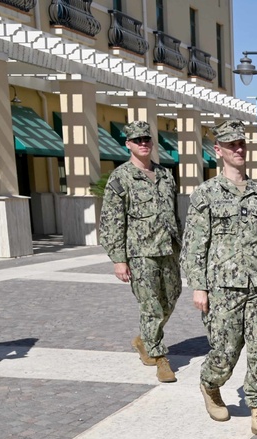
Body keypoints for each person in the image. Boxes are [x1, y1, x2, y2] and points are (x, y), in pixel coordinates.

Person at [181, 120, 257, 439]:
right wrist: (198, 286)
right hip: (222, 287)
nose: (238, 150)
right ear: (219, 152)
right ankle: (210, 383)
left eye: (241, 144)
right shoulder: (206, 194)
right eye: (231, 145)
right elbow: (194, 244)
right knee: (225, 351)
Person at [99, 120, 181, 383]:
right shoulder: (120, 178)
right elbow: (112, 220)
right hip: (140, 252)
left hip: (168, 249)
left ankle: (144, 338)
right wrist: (118, 260)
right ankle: (159, 357)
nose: (143, 143)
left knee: (172, 296)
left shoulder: (166, 175)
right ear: (128, 145)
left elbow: (173, 215)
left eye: (146, 139)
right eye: (137, 140)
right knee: (151, 306)